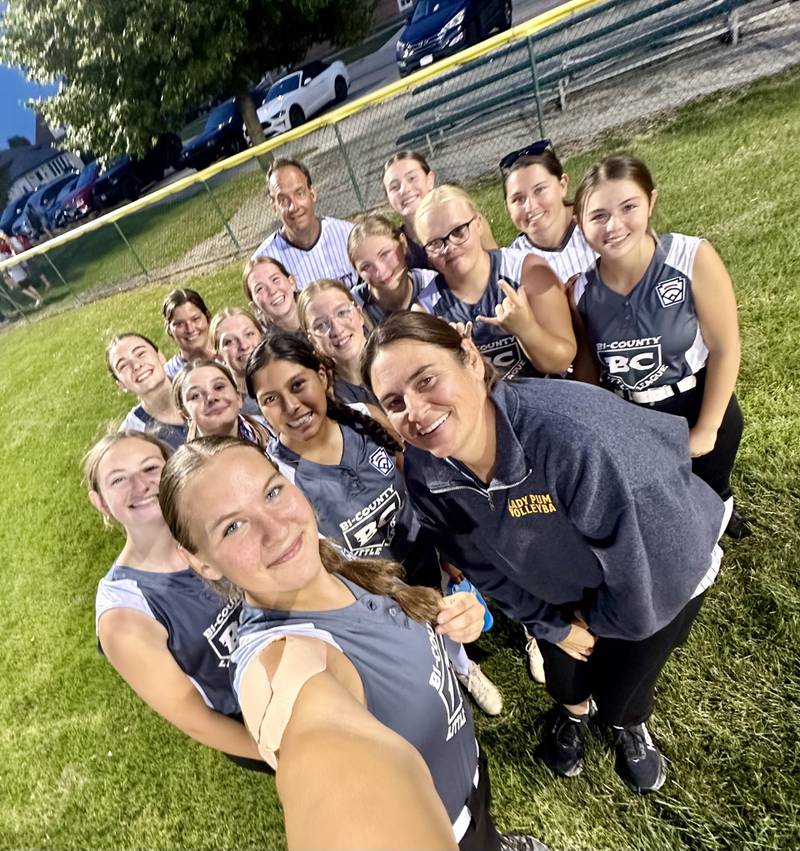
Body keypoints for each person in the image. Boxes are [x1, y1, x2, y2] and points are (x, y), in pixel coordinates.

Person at [362, 311, 730, 795]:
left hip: (663, 578)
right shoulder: (427, 474)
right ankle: (573, 715)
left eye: (426, 379)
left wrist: (595, 621)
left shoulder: (576, 441)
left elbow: (654, 571)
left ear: (471, 359)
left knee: (624, 685)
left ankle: (626, 725)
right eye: (393, 402)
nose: (415, 409)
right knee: (566, 676)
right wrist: (552, 623)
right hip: (564, 593)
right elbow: (477, 564)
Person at [158, 436, 546, 850]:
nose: (276, 529)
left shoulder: (327, 558)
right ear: (199, 560)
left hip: (470, 786)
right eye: (232, 527)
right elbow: (318, 747)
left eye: (271, 492)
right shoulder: (282, 662)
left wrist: (449, 618)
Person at [246, 331, 502, 716]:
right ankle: (439, 683)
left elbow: (416, 480)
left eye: (298, 385)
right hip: (376, 591)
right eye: (270, 399)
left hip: (422, 556)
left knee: (448, 622)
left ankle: (464, 668)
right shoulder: (276, 476)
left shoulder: (365, 418)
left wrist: (448, 547)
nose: (291, 405)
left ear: (323, 376)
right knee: (414, 652)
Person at [570, 154, 750, 539]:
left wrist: (707, 427)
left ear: (651, 202)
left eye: (628, 207)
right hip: (636, 415)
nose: (614, 225)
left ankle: (722, 508)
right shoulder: (582, 290)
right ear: (580, 224)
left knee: (711, 487)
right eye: (598, 215)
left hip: (695, 401)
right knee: (666, 508)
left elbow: (725, 347)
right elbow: (590, 371)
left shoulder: (690, 257)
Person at [85, 431, 269, 772]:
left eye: (150, 468)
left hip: (304, 659)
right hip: (259, 720)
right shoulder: (125, 614)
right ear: (100, 502)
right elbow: (195, 718)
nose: (140, 485)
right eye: (118, 480)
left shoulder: (213, 525)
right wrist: (282, 754)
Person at [414, 185, 576, 378]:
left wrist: (526, 329)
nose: (449, 247)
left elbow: (562, 361)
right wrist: (455, 361)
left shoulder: (526, 270)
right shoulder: (426, 310)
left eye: (458, 231)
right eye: (435, 243)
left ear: (479, 223)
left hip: (547, 398)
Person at [252, 158, 358, 290]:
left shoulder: (348, 236)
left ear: (312, 194)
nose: (293, 207)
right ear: (274, 207)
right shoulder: (264, 262)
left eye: (299, 193)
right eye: (283, 200)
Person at [501, 140, 597, 284]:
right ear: (507, 206)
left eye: (539, 190)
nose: (530, 206)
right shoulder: (510, 265)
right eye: (518, 199)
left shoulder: (600, 225)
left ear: (562, 185)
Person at [383, 150, 497, 270]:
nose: (404, 190)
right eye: (394, 187)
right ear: (388, 198)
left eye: (412, 178)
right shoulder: (396, 247)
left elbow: (496, 265)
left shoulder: (466, 223)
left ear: (430, 180)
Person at [347, 213, 436, 326]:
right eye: (366, 267)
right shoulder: (354, 306)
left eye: (385, 254)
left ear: (403, 244)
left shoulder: (434, 285)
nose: (380, 271)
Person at [297, 279, 376, 406]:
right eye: (321, 325)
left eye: (342, 313)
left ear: (360, 314)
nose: (337, 330)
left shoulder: (399, 357)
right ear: (313, 341)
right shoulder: (323, 398)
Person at [106, 332, 188, 450]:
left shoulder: (201, 383)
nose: (136, 365)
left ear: (160, 357)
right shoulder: (132, 437)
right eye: (123, 366)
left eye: (141, 353)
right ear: (121, 385)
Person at [172, 359, 269, 447]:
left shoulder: (272, 430)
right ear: (185, 415)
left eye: (219, 387)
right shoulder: (186, 465)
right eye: (196, 396)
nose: (211, 398)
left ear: (238, 397)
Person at [208, 307, 265, 421]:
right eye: (229, 341)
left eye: (249, 334)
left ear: (262, 337)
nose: (244, 345)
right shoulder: (224, 406)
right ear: (218, 355)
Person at [161, 288, 216, 379]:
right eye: (179, 324)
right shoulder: (168, 376)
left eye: (195, 319)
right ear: (169, 330)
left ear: (208, 317)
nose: (190, 329)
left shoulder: (231, 356)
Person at [242, 256, 301, 332]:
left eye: (275, 279)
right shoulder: (269, 343)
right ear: (255, 306)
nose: (272, 291)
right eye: (260, 288)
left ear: (292, 282)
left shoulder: (319, 307)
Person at [0, 228, 43, 307]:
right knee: (23, 287)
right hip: (13, 269)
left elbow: (7, 242)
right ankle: (38, 298)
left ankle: (39, 298)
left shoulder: (3, 252)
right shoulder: (3, 252)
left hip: (14, 268)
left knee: (25, 286)